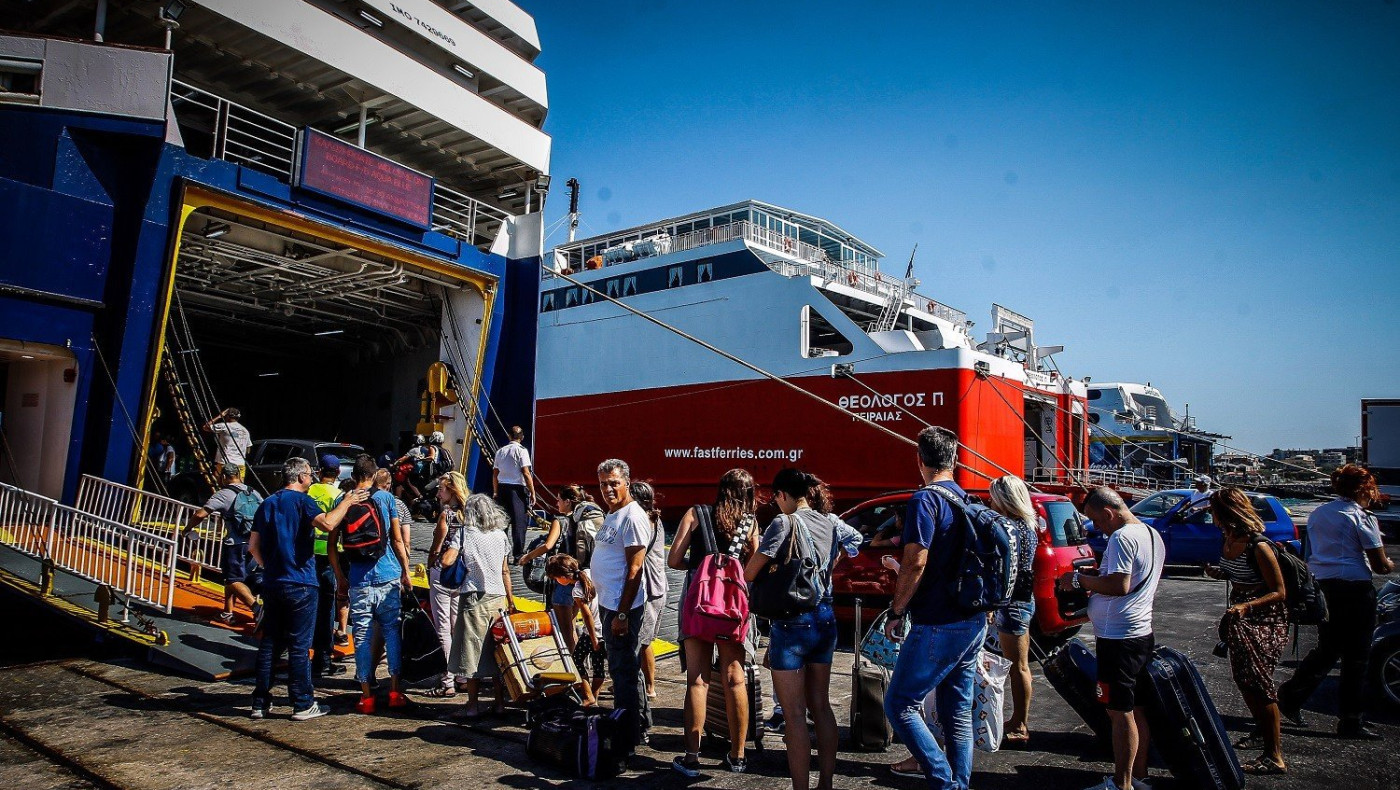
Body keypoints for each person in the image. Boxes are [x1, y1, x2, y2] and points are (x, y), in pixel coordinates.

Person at [881, 426, 987, 790]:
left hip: (938, 621)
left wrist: (897, 611)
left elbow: (915, 561)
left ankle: (945, 783)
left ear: (920, 459)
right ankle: (961, 782)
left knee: (899, 704)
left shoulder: (925, 500)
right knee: (956, 710)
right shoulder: (968, 500)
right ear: (954, 460)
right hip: (973, 619)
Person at [1057, 486, 1164, 790]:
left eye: (1099, 522)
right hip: (1139, 632)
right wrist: (1096, 578)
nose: (1100, 530)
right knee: (1136, 707)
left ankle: (1122, 782)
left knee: (1119, 711)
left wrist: (1078, 579)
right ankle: (1138, 775)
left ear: (1108, 513)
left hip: (1118, 638)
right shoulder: (1150, 534)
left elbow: (1120, 584)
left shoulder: (1122, 537)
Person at [1277, 464, 1395, 740]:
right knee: (1357, 656)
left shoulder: (1320, 513)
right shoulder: (1361, 517)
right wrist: (1389, 563)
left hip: (1325, 587)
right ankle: (1350, 719)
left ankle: (1291, 695)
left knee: (1328, 649)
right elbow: (1379, 565)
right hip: (1354, 588)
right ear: (1365, 488)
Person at [744, 468, 844, 790]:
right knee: (822, 705)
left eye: (775, 498)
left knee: (794, 715)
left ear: (783, 495)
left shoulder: (783, 523)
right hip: (826, 617)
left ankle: (800, 786)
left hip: (792, 622)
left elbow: (750, 571)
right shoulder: (830, 522)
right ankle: (826, 783)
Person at [248, 457, 367, 721]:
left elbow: (252, 547)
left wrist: (270, 567)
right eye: (309, 474)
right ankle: (302, 703)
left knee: (270, 643)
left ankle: (260, 703)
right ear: (300, 476)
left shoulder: (267, 503)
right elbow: (328, 523)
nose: (312, 478)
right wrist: (347, 501)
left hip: (273, 581)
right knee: (300, 646)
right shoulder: (303, 502)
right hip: (301, 581)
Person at [667, 469, 760, 776]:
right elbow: (756, 565)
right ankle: (738, 755)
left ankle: (691, 756)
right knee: (735, 677)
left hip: (699, 605)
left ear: (720, 489)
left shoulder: (697, 513)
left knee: (697, 679)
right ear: (749, 494)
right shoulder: (750, 522)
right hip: (734, 607)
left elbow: (674, 559)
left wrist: (699, 569)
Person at [1202, 487, 1290, 774]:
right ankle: (1262, 737)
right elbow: (1239, 572)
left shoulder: (1259, 545)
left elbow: (1279, 592)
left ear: (1225, 513)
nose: (1210, 517)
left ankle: (1274, 755)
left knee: (1259, 682)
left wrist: (1246, 607)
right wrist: (1220, 573)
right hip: (1241, 615)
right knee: (1245, 681)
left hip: (1264, 618)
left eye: (1213, 511)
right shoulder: (1228, 538)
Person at [329, 455, 413, 714]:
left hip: (358, 578)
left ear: (354, 475)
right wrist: (405, 571)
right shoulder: (387, 499)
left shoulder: (343, 500)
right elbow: (397, 540)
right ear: (375, 474)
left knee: (362, 636)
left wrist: (341, 577)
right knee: (391, 633)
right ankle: (396, 691)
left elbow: (333, 545)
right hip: (388, 573)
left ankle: (366, 697)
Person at [592, 458, 655, 756]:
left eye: (614, 483)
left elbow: (635, 569)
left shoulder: (632, 516)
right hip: (609, 603)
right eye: (603, 484)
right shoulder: (613, 512)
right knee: (628, 668)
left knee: (622, 672)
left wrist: (621, 613)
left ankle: (626, 738)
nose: (608, 489)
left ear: (627, 482)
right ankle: (639, 724)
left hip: (622, 607)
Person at [441, 492, 517, 718]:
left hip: (473, 597)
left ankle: (472, 706)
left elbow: (447, 561)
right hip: (498, 597)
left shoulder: (465, 533)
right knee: (497, 652)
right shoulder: (500, 535)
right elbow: (505, 571)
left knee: (471, 653)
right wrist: (511, 600)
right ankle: (500, 703)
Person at [517, 485, 602, 655]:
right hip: (577, 575)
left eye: (559, 500)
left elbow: (548, 545)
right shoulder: (580, 521)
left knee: (565, 630)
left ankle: (573, 667)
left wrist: (527, 557)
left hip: (562, 579)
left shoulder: (559, 520)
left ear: (568, 502)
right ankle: (580, 662)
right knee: (572, 624)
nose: (557, 503)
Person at [989, 475, 1040, 749]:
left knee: (1017, 666)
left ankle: (1020, 723)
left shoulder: (1010, 529)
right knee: (1019, 666)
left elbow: (1005, 569)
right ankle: (1018, 719)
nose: (990, 502)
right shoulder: (1028, 527)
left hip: (1012, 603)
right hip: (1022, 599)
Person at [189, 466, 262, 625]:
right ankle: (228, 613)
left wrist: (187, 529)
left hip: (235, 544)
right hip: (254, 543)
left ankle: (257, 609)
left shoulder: (223, 494)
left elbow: (200, 514)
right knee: (232, 579)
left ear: (223, 477)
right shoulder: (253, 492)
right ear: (239, 475)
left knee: (232, 579)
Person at [424, 472, 469, 698]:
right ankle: (461, 676)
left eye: (441, 489)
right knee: (456, 625)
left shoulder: (446, 515)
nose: (438, 493)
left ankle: (447, 679)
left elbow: (436, 546)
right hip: (462, 574)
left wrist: (431, 562)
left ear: (451, 490)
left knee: (443, 628)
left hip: (443, 572)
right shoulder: (469, 515)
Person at [307, 455, 348, 673]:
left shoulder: (310, 491)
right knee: (325, 609)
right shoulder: (340, 496)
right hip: (329, 556)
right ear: (338, 472)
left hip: (306, 554)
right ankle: (322, 658)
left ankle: (295, 650)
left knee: (305, 604)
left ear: (319, 471)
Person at [547, 553, 605, 706]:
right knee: (598, 666)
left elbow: (587, 616)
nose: (556, 582)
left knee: (576, 662)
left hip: (592, 632)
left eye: (555, 578)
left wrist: (593, 638)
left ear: (563, 576)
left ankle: (587, 696)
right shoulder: (589, 573)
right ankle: (594, 698)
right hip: (605, 628)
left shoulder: (577, 590)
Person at [629, 481, 668, 702]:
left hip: (648, 587)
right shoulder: (655, 519)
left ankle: (649, 686)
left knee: (643, 641)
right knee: (644, 640)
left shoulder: (644, 522)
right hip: (657, 585)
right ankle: (640, 683)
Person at [493, 425, 537, 558]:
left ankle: (500, 552)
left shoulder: (500, 451)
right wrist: (532, 492)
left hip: (502, 488)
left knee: (502, 522)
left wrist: (495, 491)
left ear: (509, 436)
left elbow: (495, 474)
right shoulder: (521, 451)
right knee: (519, 523)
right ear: (522, 437)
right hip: (517, 490)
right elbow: (526, 472)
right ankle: (518, 554)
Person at [204, 407, 251, 478]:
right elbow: (248, 450)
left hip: (225, 463)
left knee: (221, 485)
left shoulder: (224, 426)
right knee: (239, 487)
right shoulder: (245, 431)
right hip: (240, 464)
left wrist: (220, 416)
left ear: (227, 416)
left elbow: (206, 427)